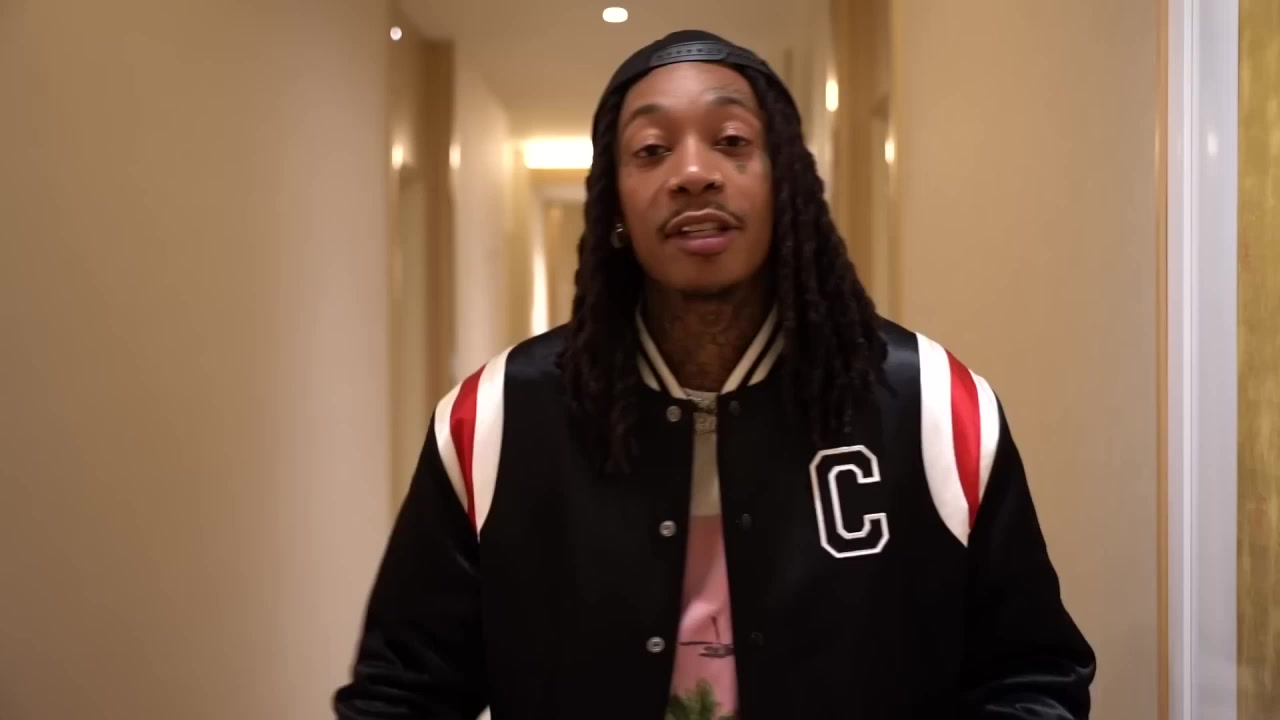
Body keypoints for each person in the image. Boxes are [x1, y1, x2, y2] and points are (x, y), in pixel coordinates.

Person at [333, 29, 1096, 720]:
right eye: (651, 150)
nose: (693, 173)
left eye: (732, 140)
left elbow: (1033, 679)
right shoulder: (495, 421)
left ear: (785, 184)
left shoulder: (934, 406)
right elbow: (401, 693)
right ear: (614, 206)